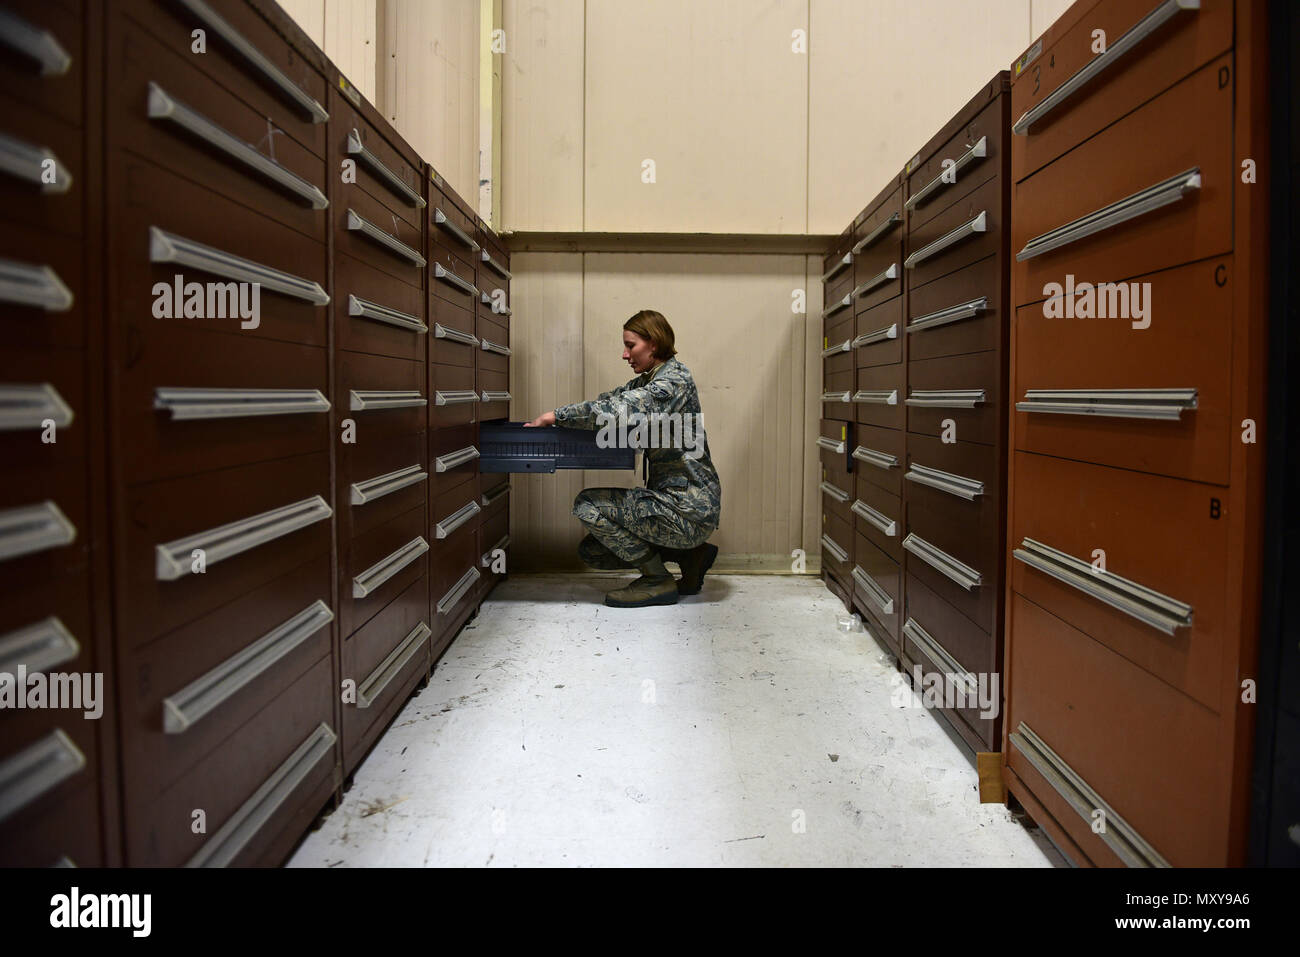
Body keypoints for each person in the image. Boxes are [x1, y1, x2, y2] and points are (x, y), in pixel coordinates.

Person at [525, 310, 722, 607]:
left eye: (631, 346)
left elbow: (618, 409)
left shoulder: (672, 383)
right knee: (594, 551)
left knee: (587, 505)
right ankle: (690, 556)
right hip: (671, 504)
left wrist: (556, 416)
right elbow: (609, 400)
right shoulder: (649, 380)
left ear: (653, 344)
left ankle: (657, 580)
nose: (624, 354)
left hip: (688, 510)